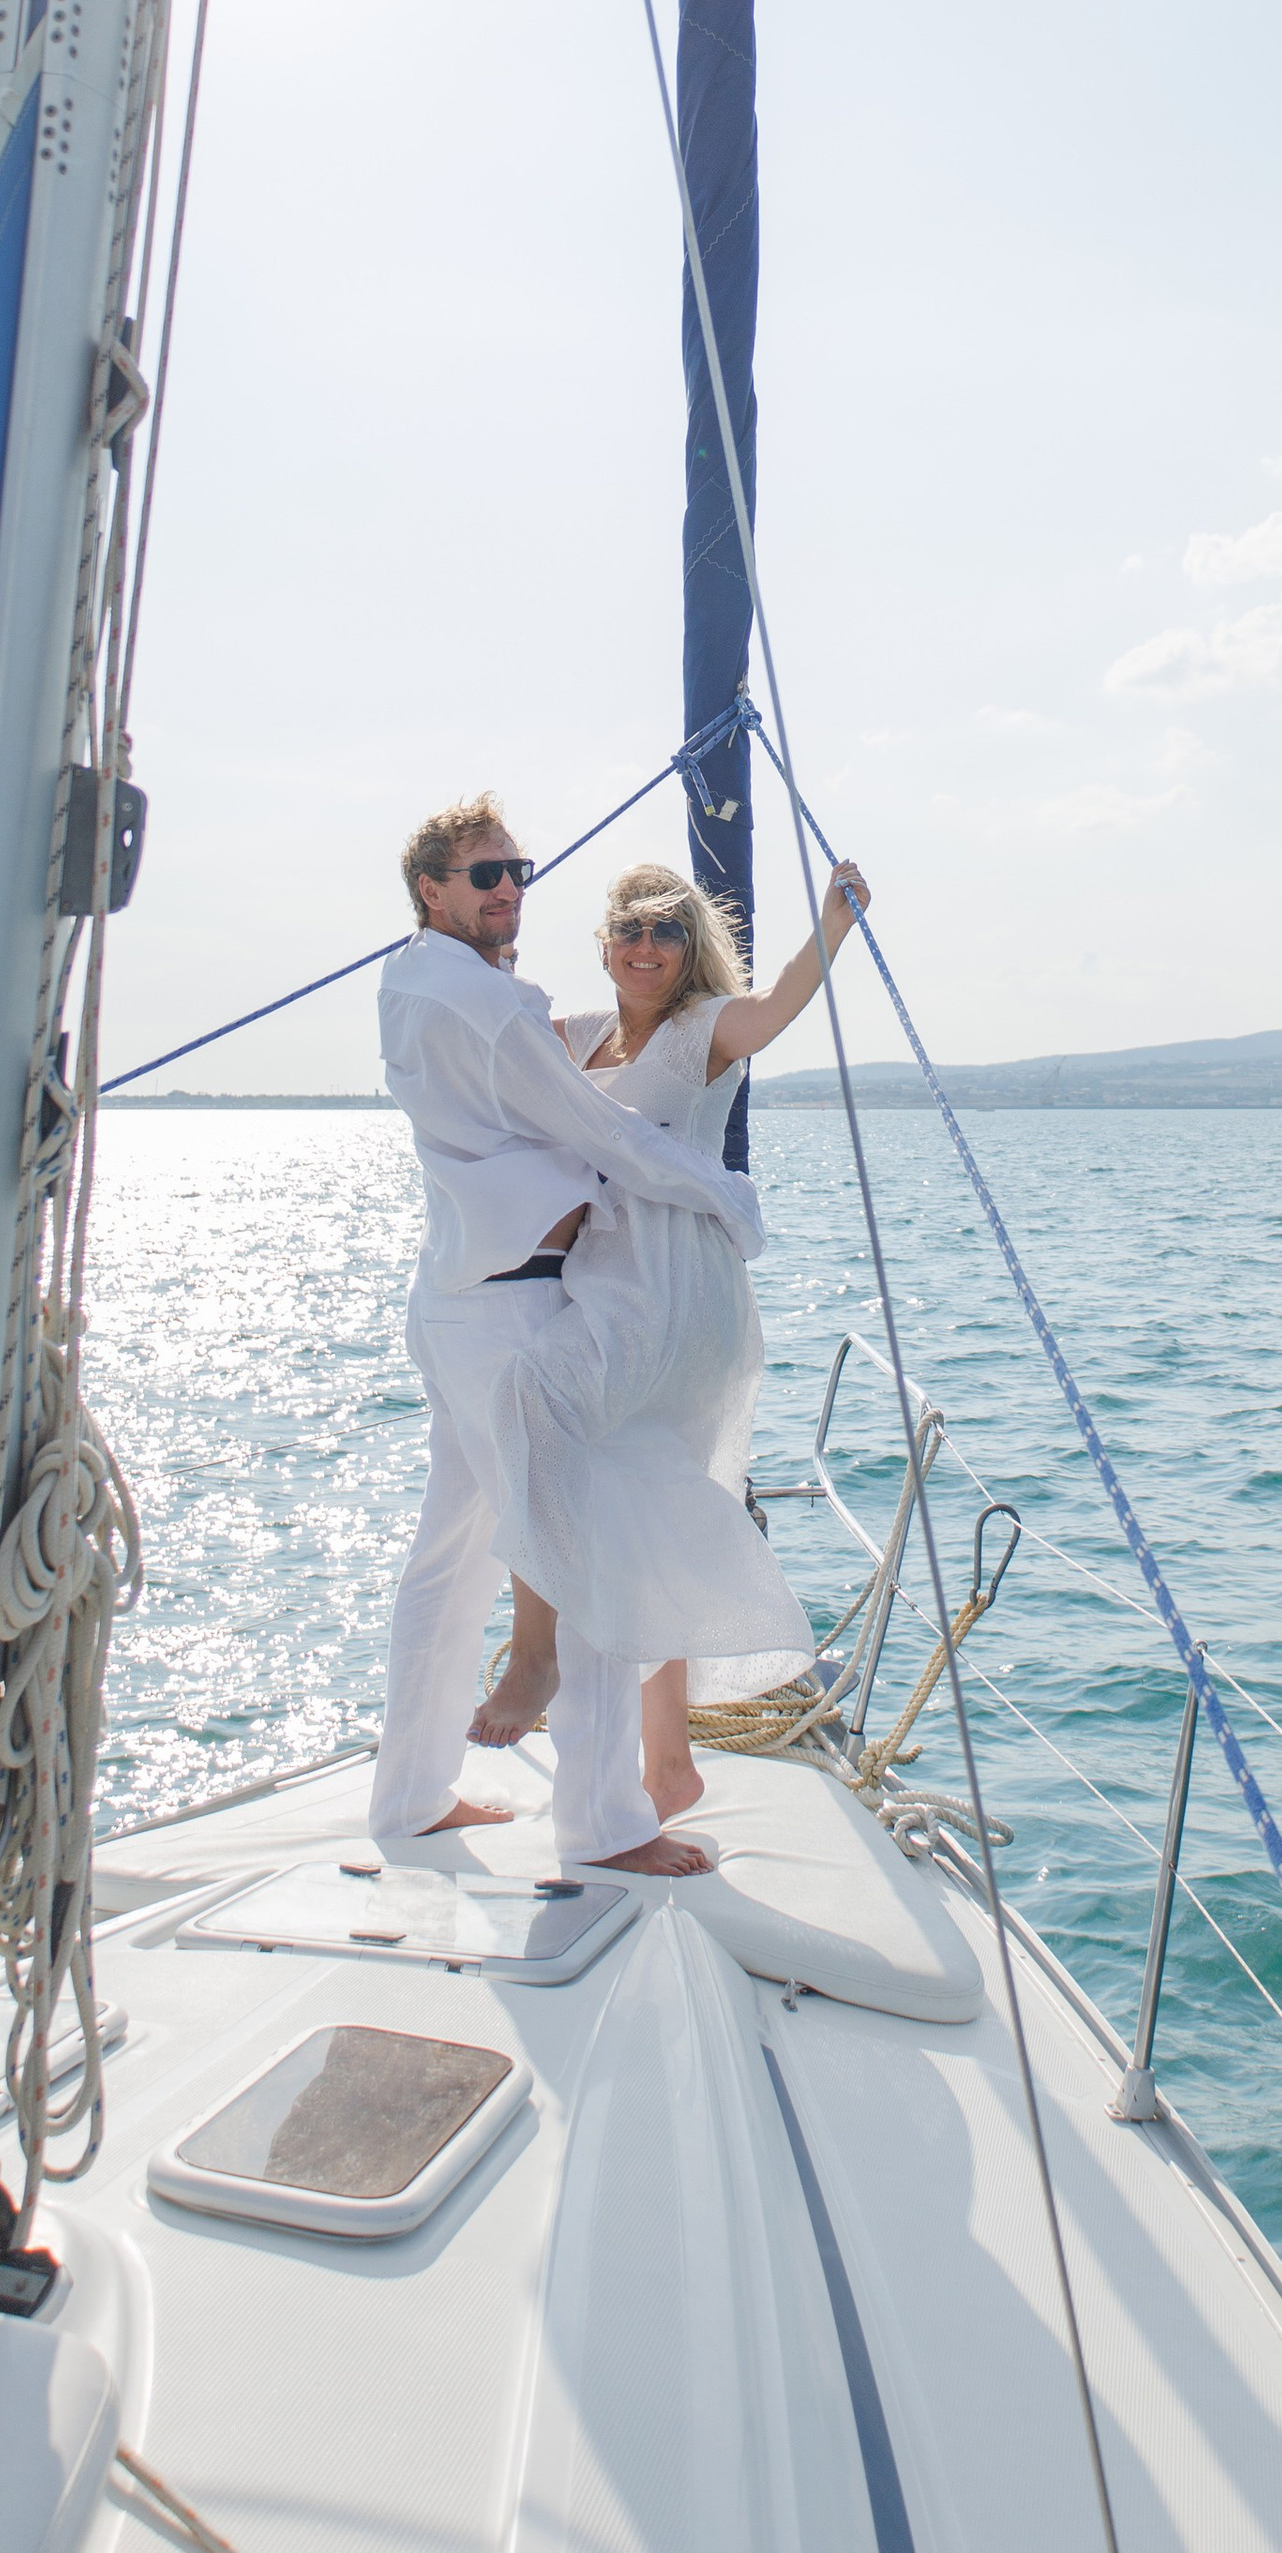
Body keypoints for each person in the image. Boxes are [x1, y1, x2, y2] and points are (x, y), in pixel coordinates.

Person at [368, 792, 773, 1879]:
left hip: (450, 1295)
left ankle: (407, 1794)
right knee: (583, 1556)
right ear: (432, 890)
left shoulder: (406, 986)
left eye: (517, 872)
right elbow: (601, 1131)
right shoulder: (497, 1009)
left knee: (448, 1558)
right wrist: (725, 1198)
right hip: (513, 1303)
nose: (508, 890)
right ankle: (607, 1824)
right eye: (485, 875)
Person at [468, 848, 869, 1833]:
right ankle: (670, 1759)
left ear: (689, 949)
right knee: (646, 1503)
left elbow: (776, 1004)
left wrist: (834, 919)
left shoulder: (704, 1031)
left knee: (533, 1396)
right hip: (613, 1276)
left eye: (666, 929)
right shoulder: (582, 1035)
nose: (646, 944)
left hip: (678, 1292)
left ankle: (538, 1648)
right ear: (605, 946)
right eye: (629, 929)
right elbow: (492, 1042)